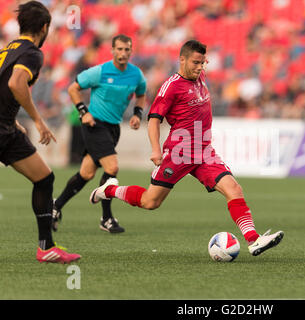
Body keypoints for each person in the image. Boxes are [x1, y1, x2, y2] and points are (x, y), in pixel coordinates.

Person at [89, 40, 284, 256]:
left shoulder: (200, 76)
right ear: (182, 60)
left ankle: (253, 240)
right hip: (179, 153)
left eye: (203, 63)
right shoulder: (171, 86)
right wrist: (155, 150)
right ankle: (109, 190)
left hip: (204, 151)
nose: (200, 67)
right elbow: (154, 120)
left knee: (234, 189)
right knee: (150, 202)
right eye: (195, 62)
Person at [0, 1, 80, 263]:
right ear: (44, 28)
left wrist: (11, 118)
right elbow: (15, 83)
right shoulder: (32, 53)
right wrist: (38, 120)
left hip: (7, 128)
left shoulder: (7, 49)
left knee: (44, 178)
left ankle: (46, 247)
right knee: (44, 180)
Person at [52, 34, 147, 233]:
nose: (123, 53)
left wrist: (138, 114)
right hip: (95, 124)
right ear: (112, 50)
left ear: (131, 51)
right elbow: (73, 88)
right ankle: (106, 218)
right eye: (119, 49)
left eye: (126, 49)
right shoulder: (100, 71)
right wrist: (83, 112)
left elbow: (141, 94)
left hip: (113, 128)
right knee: (112, 167)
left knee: (86, 173)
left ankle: (56, 206)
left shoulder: (136, 75)